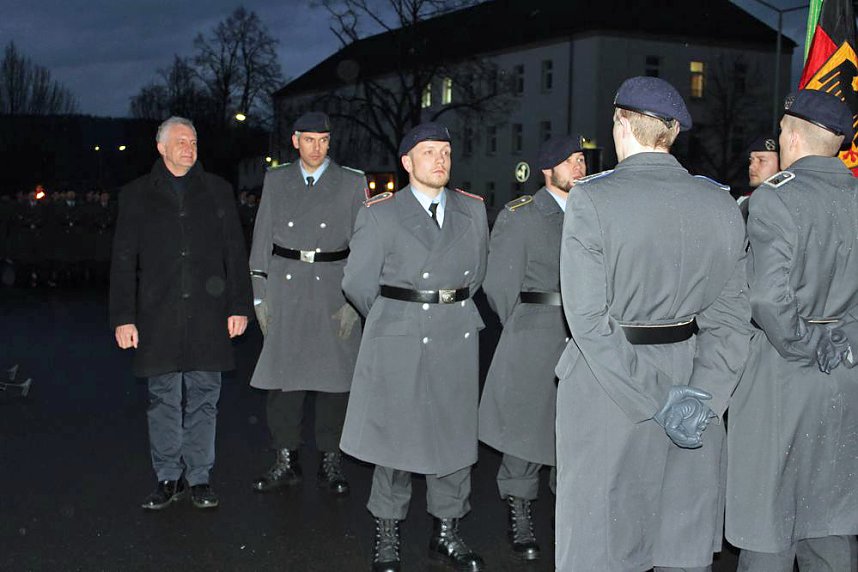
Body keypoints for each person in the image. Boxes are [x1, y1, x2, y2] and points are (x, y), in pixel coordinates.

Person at [554, 76, 752, 571]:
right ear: (673, 133)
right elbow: (732, 322)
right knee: (678, 543)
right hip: (693, 381)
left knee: (601, 544)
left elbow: (588, 321)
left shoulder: (593, 199)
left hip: (609, 388)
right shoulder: (720, 202)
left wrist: (661, 400)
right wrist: (701, 400)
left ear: (621, 124)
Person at [341, 123, 489, 572]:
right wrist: (395, 318)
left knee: (453, 440)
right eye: (428, 152)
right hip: (400, 336)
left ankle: (446, 532)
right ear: (406, 162)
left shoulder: (472, 210)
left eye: (445, 151)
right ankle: (388, 533)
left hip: (454, 334)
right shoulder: (381, 214)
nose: (440, 160)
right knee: (395, 441)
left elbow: (475, 276)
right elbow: (358, 284)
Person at [726, 89, 858, 572]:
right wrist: (845, 340)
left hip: (782, 372)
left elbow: (767, 297)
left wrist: (805, 345)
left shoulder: (777, 197)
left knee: (770, 514)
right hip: (845, 373)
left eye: (781, 131)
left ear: (794, 137)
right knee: (831, 515)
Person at [110, 116, 252, 511]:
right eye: (181, 141)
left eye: (193, 141)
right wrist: (123, 316)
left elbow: (234, 252)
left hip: (208, 312)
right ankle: (168, 477)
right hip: (158, 314)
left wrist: (239, 306)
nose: (189, 148)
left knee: (205, 396)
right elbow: (123, 260)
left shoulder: (217, 190)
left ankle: (200, 477)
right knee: (163, 399)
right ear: (161, 147)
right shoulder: (137, 194)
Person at [477, 133, 586, 561]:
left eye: (581, 159)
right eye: (569, 160)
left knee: (574, 433)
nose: (579, 167)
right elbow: (499, 286)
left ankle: (567, 516)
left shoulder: (592, 211)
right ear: (547, 170)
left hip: (583, 336)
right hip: (535, 332)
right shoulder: (521, 215)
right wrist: (523, 326)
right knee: (525, 430)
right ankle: (520, 513)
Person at [248, 111, 366, 496]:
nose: (317, 148)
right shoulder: (276, 179)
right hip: (286, 287)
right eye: (309, 140)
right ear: (295, 141)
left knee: (335, 381)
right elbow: (262, 237)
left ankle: (331, 460)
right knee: (284, 380)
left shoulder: (352, 182)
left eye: (324, 140)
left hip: (334, 286)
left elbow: (365, 247)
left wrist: (355, 302)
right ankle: (286, 458)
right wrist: (259, 293)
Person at [739, 134, 780, 221]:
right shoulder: (744, 202)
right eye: (751, 160)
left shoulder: (790, 201)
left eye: (761, 160)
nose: (751, 167)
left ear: (780, 165)